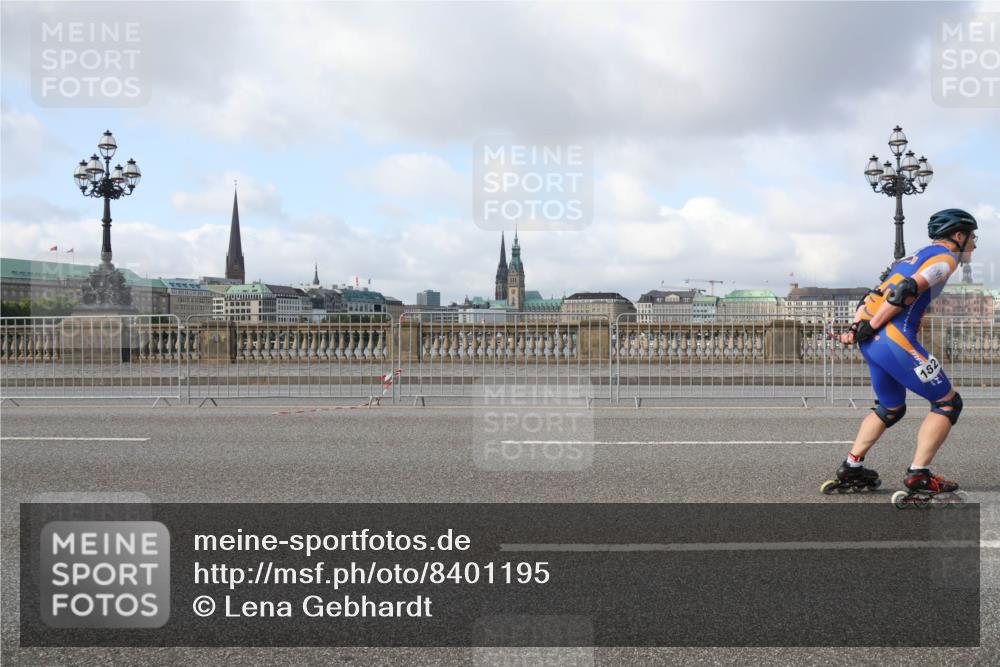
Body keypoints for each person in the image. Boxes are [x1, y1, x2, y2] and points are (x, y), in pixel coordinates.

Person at [822, 209, 978, 505]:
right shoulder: (946, 259)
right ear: (959, 236)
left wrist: (858, 329)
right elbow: (904, 292)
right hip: (895, 340)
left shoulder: (910, 259)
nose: (975, 243)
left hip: (874, 344)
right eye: (973, 237)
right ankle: (919, 474)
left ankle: (852, 467)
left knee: (890, 407)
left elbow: (871, 296)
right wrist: (874, 325)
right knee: (947, 403)